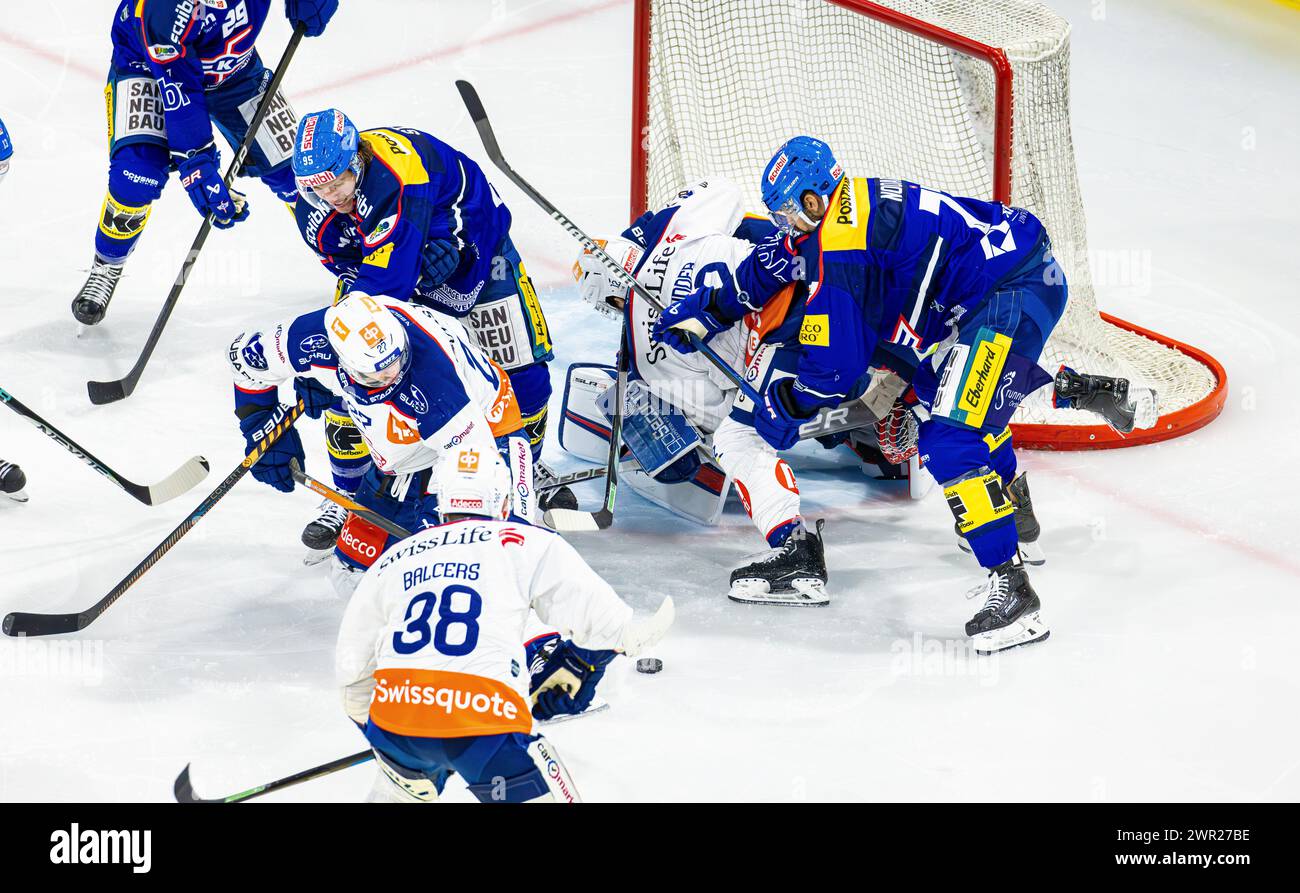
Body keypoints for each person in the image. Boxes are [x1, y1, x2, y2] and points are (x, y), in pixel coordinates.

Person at [655, 136, 1153, 653]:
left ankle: (1015, 594)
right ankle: (1044, 452)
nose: (783, 226)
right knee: (937, 388)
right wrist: (708, 309)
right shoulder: (840, 213)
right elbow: (769, 265)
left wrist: (785, 406)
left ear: (810, 201)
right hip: (984, 289)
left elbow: (834, 371)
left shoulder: (842, 252)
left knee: (949, 435)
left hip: (1010, 291)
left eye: (785, 214)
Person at [287, 109, 568, 554]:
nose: (330, 195)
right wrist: (329, 363)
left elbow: (388, 284)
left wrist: (444, 243)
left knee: (528, 383)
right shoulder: (314, 212)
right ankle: (349, 499)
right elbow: (367, 288)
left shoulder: (399, 174)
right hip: (390, 272)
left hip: (479, 256)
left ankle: (522, 475)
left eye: (337, 181)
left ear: (355, 158)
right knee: (360, 370)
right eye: (316, 187)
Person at [334, 458, 674, 802]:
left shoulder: (396, 556)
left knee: (396, 786)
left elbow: (352, 669)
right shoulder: (526, 541)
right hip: (486, 723)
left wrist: (395, 736)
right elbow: (609, 626)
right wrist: (585, 662)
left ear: (440, 503)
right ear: (505, 502)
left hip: (396, 721)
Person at [573, 177, 832, 605]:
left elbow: (716, 407)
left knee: (737, 437)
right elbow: (725, 191)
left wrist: (662, 422)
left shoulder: (645, 356)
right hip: (825, 285)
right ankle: (880, 429)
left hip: (786, 351)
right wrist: (649, 230)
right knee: (752, 231)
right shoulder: (680, 229)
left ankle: (795, 547)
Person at [226, 292, 534, 586]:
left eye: (396, 362)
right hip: (408, 448)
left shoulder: (433, 380)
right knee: (354, 577)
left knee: (499, 556)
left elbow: (470, 466)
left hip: (489, 432)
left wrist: (434, 526)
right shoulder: (310, 339)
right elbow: (245, 360)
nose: (391, 375)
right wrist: (262, 424)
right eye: (376, 375)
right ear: (342, 360)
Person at [72, 0, 338, 326]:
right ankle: (108, 263)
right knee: (136, 176)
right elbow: (178, 89)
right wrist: (196, 160)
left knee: (299, 173)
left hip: (234, 69)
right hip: (149, 69)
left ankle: (347, 256)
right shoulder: (163, 9)